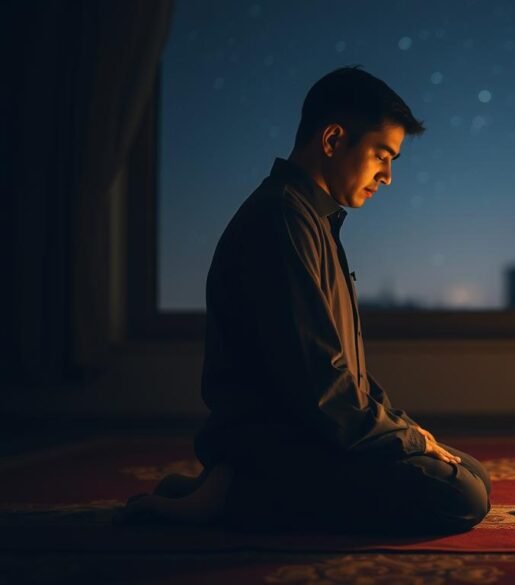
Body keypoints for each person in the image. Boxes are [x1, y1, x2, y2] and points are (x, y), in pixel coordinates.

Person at [120, 67, 491, 535]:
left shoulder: (313, 219)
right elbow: (318, 385)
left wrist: (407, 430)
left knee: (473, 472)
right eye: (382, 155)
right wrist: (405, 441)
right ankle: (234, 494)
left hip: (312, 433)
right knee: (461, 495)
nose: (389, 177)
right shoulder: (281, 220)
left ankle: (223, 486)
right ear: (333, 140)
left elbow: (345, 373)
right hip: (282, 444)